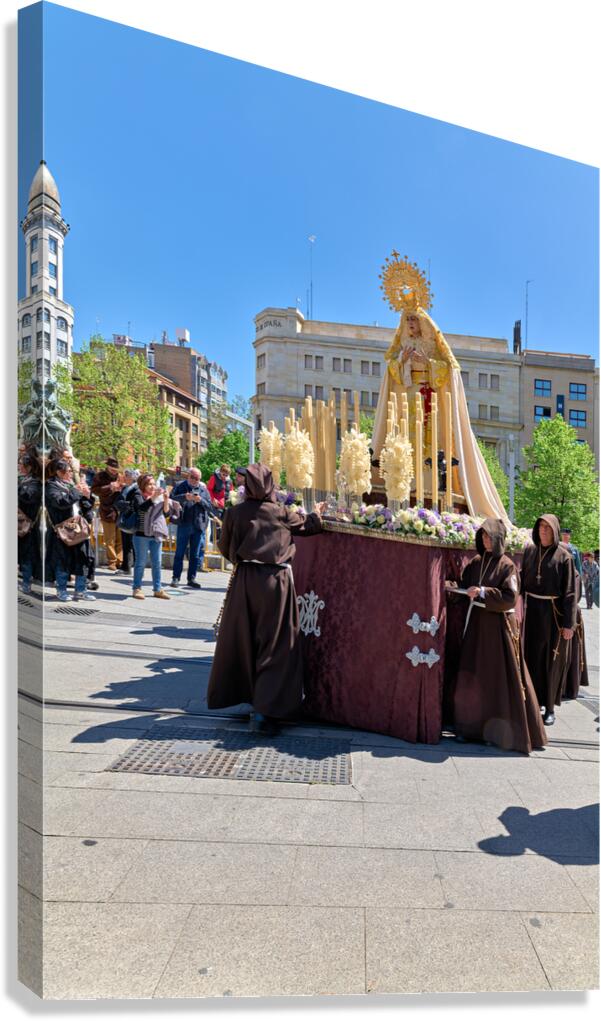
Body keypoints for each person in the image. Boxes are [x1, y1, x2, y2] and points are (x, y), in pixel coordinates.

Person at [371, 254, 508, 522]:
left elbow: (450, 369)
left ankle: (430, 484)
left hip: (429, 400)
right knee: (407, 442)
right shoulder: (400, 347)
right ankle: (404, 483)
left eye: (414, 320)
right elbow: (392, 372)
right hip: (407, 401)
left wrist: (428, 364)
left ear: (422, 322)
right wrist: (403, 362)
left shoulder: (434, 343)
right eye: (407, 320)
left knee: (429, 444)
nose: (410, 324)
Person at [207, 463, 322, 735]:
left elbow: (224, 547)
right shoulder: (281, 513)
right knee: (276, 644)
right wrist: (317, 514)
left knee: (245, 640)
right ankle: (265, 710)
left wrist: (245, 558)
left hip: (245, 581)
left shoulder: (235, 512)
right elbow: (309, 526)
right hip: (275, 583)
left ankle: (248, 697)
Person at [446, 518, 547, 754]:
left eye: (489, 536)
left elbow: (510, 597)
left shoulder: (507, 566)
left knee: (496, 681)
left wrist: (482, 591)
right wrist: (450, 587)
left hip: (498, 631)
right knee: (473, 677)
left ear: (499, 538)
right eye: (483, 536)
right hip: (476, 629)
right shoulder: (476, 563)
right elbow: (464, 587)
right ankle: (469, 729)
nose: (485, 539)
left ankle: (497, 733)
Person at [520, 514, 577, 725]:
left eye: (547, 527)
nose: (543, 530)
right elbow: (520, 580)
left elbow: (570, 592)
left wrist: (568, 624)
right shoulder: (529, 552)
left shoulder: (564, 557)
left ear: (554, 530)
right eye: (540, 527)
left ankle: (550, 707)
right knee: (531, 658)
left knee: (551, 662)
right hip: (532, 611)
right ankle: (533, 703)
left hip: (553, 614)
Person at [45, 458, 96, 602]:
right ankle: (61, 590)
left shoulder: (71, 485)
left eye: (69, 471)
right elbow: (61, 503)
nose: (68, 474)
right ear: (57, 472)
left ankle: (81, 590)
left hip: (79, 528)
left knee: (84, 559)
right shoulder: (51, 486)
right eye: (65, 471)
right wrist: (76, 491)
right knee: (63, 561)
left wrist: (87, 496)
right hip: (63, 530)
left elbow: (85, 506)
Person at [128, 473, 181, 599]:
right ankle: (137, 588)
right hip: (141, 535)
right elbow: (141, 509)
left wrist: (166, 499)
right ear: (143, 485)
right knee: (140, 562)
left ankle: (157, 589)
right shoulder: (138, 495)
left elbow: (166, 514)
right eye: (149, 484)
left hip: (156, 533)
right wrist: (153, 498)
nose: (152, 487)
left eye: (153, 484)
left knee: (157, 563)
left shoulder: (159, 497)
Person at [170, 467, 213, 588]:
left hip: (198, 525)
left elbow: (209, 507)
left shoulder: (204, 490)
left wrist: (201, 501)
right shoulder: (180, 486)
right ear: (188, 476)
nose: (194, 480)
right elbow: (171, 499)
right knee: (180, 552)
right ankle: (176, 577)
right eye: (192, 477)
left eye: (197, 478)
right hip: (184, 523)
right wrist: (184, 497)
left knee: (194, 554)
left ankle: (191, 578)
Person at [91, 457, 124, 571]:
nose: (115, 471)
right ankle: (112, 562)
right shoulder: (99, 476)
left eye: (116, 469)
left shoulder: (120, 476)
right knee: (110, 539)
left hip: (119, 510)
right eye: (113, 468)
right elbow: (94, 490)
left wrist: (121, 488)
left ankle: (120, 561)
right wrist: (109, 487)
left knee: (120, 538)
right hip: (107, 510)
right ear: (108, 467)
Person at [18, 449, 43, 594]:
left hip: (28, 524)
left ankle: (27, 583)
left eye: (22, 464)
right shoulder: (24, 480)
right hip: (22, 522)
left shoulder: (33, 483)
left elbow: (29, 499)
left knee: (27, 554)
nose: (19, 466)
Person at [115, 468, 140, 576]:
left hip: (131, 518)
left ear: (132, 477)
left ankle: (128, 567)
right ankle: (126, 566)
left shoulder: (136, 489)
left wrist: (122, 504)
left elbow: (133, 503)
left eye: (126, 475)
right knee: (126, 543)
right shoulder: (125, 488)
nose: (124, 477)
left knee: (129, 544)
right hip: (126, 517)